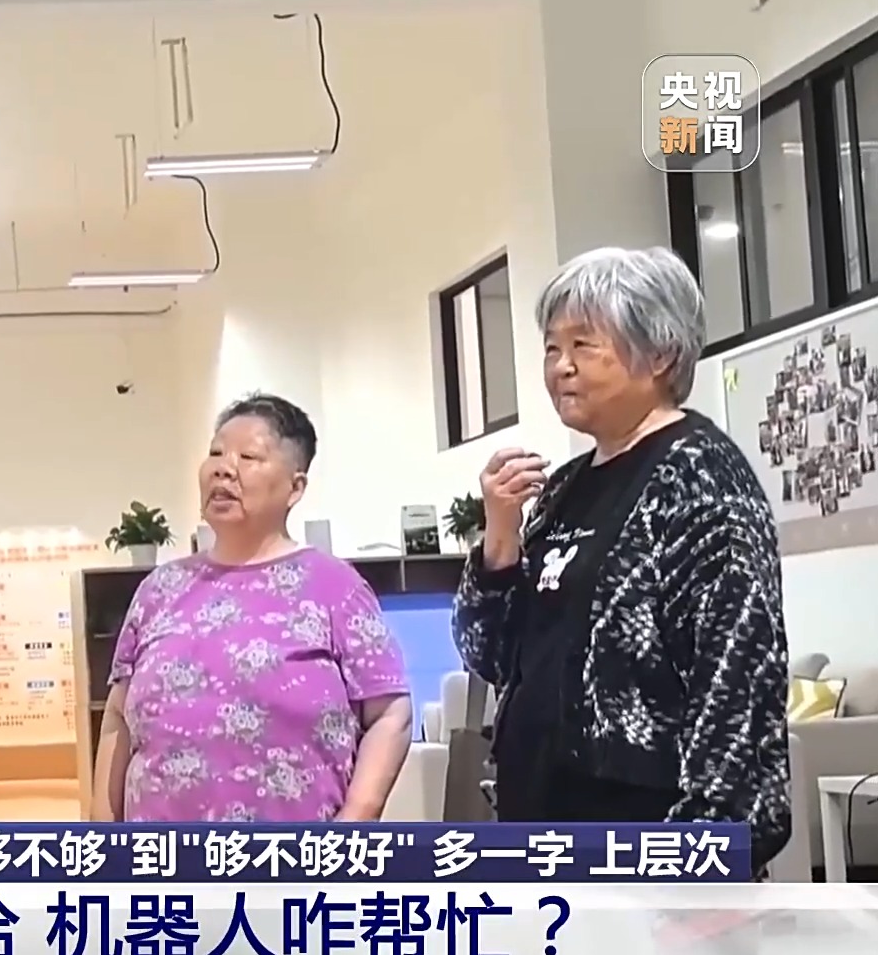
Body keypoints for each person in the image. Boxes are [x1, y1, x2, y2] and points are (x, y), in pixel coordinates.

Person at [453, 246, 791, 870]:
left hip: (648, 836)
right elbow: (491, 657)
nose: (561, 367)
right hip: (540, 826)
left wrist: (708, 852)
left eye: (583, 345)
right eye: (552, 348)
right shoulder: (564, 487)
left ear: (659, 354)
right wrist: (500, 538)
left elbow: (737, 676)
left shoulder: (700, 478)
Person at [91, 394, 413, 823]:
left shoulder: (335, 588)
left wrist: (357, 817)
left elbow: (390, 713)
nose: (224, 468)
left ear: (295, 488)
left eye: (248, 457)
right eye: (215, 453)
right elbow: (118, 715)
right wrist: (103, 835)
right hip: (161, 854)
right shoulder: (159, 590)